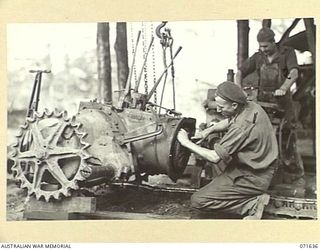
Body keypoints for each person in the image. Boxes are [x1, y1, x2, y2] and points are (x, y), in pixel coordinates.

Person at [177, 81, 278, 219]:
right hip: (260, 167)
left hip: (253, 177)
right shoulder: (251, 106)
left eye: (221, 107)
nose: (218, 110)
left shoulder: (241, 127)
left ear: (234, 105)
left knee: (198, 201)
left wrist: (186, 142)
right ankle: (225, 188)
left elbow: (214, 157)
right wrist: (208, 131)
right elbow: (231, 120)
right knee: (217, 146)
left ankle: (252, 204)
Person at [235, 27, 299, 122]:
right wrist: (239, 89)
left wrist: (283, 88)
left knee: (284, 130)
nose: (263, 49)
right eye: (260, 46)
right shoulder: (258, 57)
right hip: (262, 102)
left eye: (265, 46)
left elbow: (294, 73)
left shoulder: (287, 53)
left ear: (273, 42)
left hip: (282, 103)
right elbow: (239, 73)